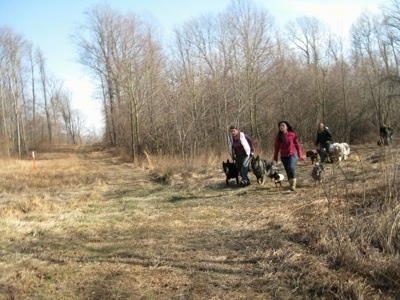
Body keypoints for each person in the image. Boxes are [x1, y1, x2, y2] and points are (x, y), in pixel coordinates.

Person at [273, 121, 306, 191]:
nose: (281, 127)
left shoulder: (292, 134)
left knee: (291, 167)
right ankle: (290, 183)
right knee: (287, 169)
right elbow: (276, 148)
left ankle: (293, 184)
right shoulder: (278, 137)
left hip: (292, 154)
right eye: (280, 126)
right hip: (283, 156)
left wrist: (300, 154)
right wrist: (275, 156)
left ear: (287, 127)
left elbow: (297, 145)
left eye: (283, 125)